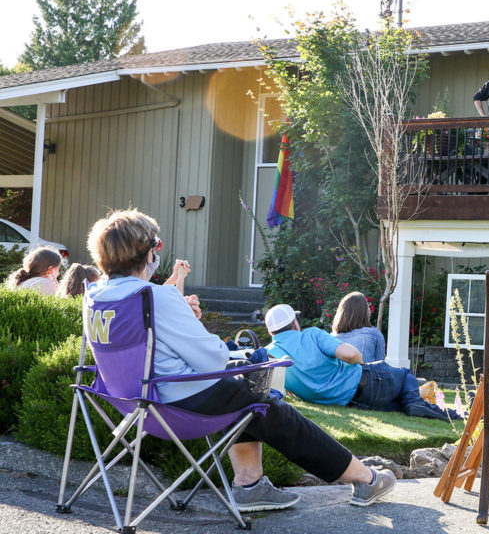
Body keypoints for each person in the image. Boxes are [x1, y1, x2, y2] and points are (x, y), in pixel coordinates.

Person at [85, 209, 396, 511]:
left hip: (128, 403)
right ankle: (364, 478)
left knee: (244, 393)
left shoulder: (96, 296)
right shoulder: (154, 297)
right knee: (265, 402)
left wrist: (183, 317)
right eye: (156, 245)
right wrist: (191, 320)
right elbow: (213, 360)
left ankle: (250, 483)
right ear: (147, 253)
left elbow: (147, 348)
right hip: (175, 404)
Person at [264, 303, 460, 421]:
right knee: (404, 374)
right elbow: (349, 355)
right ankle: (417, 404)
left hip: (350, 403)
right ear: (294, 323)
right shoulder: (311, 335)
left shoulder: (269, 354)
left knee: (400, 403)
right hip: (366, 382)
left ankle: (455, 415)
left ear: (270, 332)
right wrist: (360, 362)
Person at [331, 292, 386, 364]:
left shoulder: (331, 337)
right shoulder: (374, 334)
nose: (369, 308)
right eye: (367, 306)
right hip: (364, 374)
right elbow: (380, 367)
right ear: (363, 311)